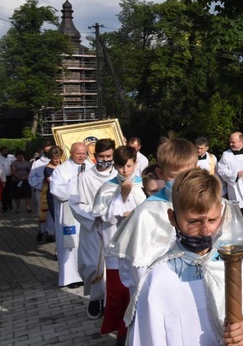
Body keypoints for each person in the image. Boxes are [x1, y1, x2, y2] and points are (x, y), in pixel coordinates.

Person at [126, 168, 243, 345]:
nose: (205, 231)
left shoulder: (240, 266)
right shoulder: (157, 280)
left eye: (212, 220)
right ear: (173, 218)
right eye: (193, 221)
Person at [107, 136, 199, 294]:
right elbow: (137, 270)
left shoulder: (213, 204)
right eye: (174, 176)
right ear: (160, 173)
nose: (182, 182)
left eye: (188, 175)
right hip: (163, 293)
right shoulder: (145, 214)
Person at [93, 145, 145, 346]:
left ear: (135, 164)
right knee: (120, 294)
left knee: (138, 291)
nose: (125, 171)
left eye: (129, 166)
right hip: (116, 249)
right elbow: (102, 215)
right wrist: (122, 197)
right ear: (114, 166)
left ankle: (136, 333)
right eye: (121, 166)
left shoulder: (142, 185)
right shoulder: (107, 187)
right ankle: (122, 335)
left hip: (139, 249)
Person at [69, 138, 117, 319]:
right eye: (101, 156)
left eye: (109, 156)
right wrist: (94, 214)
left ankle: (108, 301)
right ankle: (95, 298)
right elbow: (76, 203)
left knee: (112, 265)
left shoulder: (119, 176)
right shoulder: (86, 177)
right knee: (92, 265)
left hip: (113, 227)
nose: (105, 159)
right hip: (93, 226)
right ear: (94, 156)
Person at [50, 142, 91, 288]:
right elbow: (57, 192)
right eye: (78, 153)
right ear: (71, 153)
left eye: (84, 153)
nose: (81, 156)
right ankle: (71, 278)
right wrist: (77, 179)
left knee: (86, 245)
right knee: (70, 246)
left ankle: (88, 275)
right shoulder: (61, 170)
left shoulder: (92, 168)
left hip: (87, 213)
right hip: (70, 216)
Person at [29, 141, 54, 240]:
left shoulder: (59, 162)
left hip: (53, 192)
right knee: (43, 211)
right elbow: (31, 178)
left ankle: (50, 232)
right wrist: (42, 182)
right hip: (42, 191)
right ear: (43, 151)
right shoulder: (37, 163)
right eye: (47, 150)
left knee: (52, 213)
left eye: (51, 150)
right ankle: (42, 230)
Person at [41, 146, 63, 244]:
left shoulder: (63, 165)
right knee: (57, 220)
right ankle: (57, 247)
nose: (57, 160)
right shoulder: (47, 169)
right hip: (53, 196)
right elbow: (53, 182)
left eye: (58, 158)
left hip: (65, 195)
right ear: (50, 157)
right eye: (55, 158)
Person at [0, 145, 16, 212]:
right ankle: (4, 207)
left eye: (6, 151)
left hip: (11, 176)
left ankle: (10, 204)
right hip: (2, 178)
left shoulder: (11, 157)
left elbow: (15, 164)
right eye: (4, 151)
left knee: (10, 192)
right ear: (1, 152)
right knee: (4, 193)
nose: (5, 152)